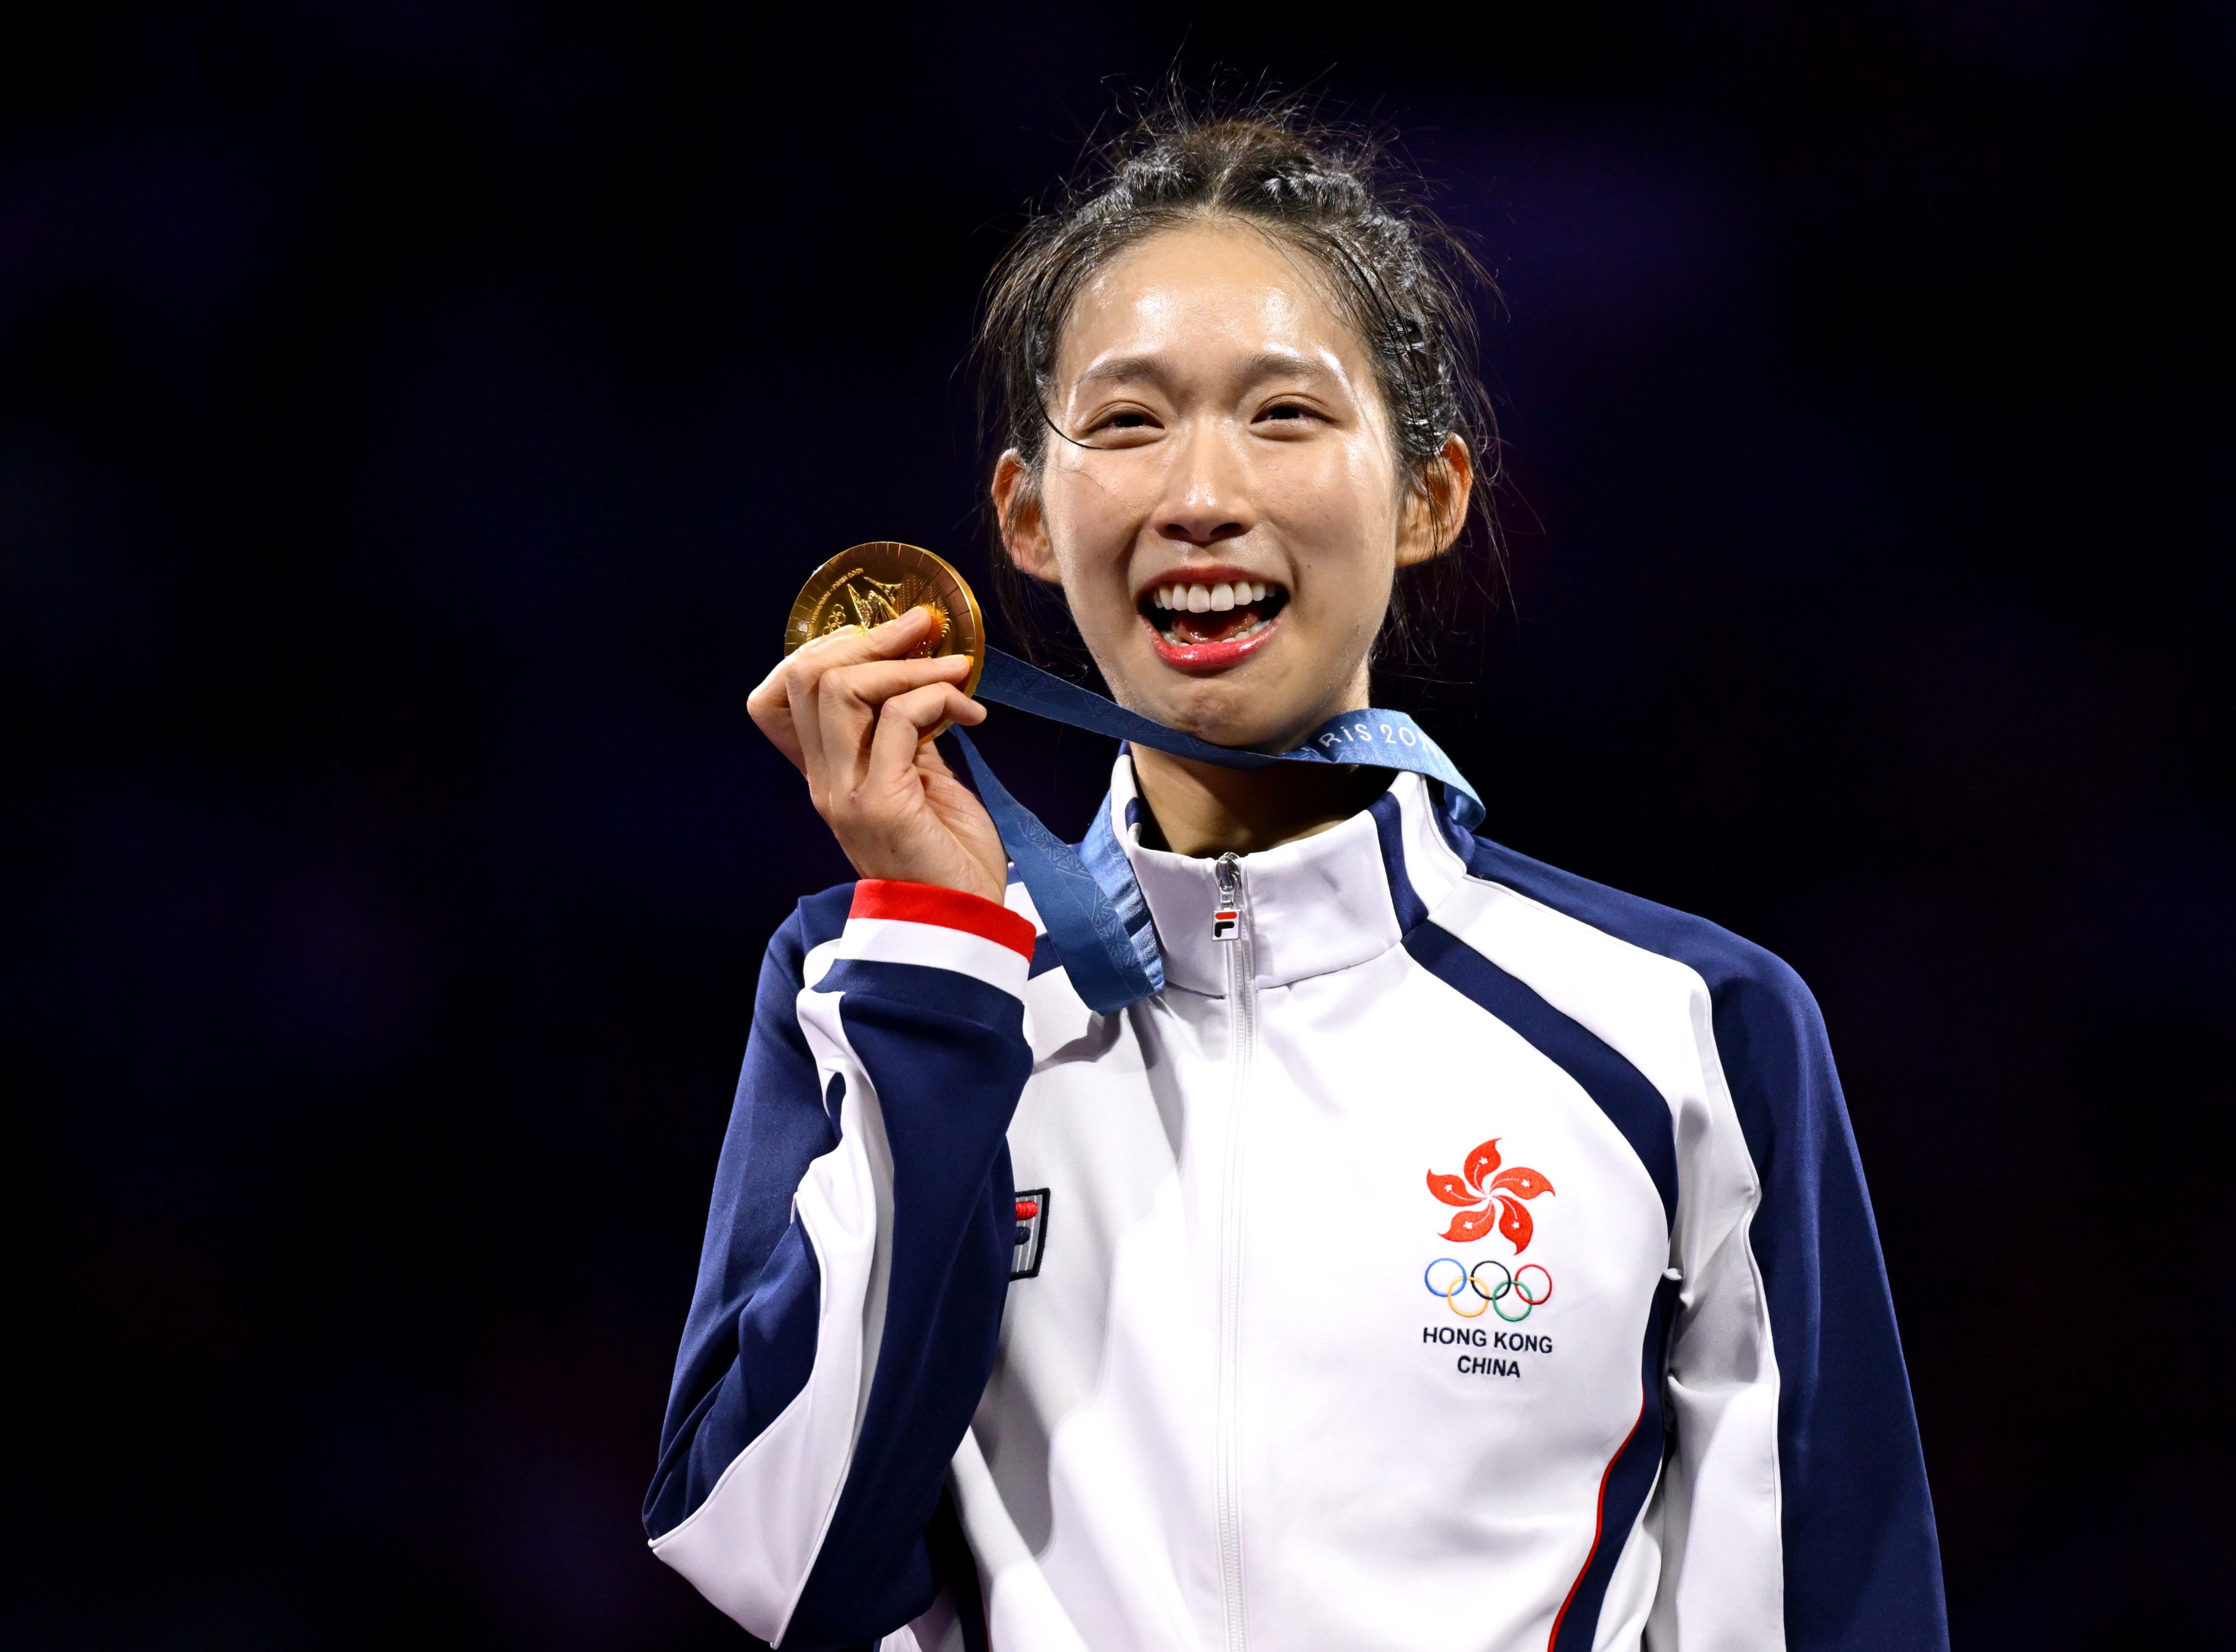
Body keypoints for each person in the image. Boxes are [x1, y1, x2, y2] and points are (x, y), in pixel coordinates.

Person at [643, 112, 1947, 1652]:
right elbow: (774, 1562)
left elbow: (1825, 1612)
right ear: (1021, 520)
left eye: (1282, 415)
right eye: (1126, 424)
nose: (1201, 493)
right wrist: (939, 959)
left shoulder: (1684, 1031)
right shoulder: (884, 984)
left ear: (1427, 492)